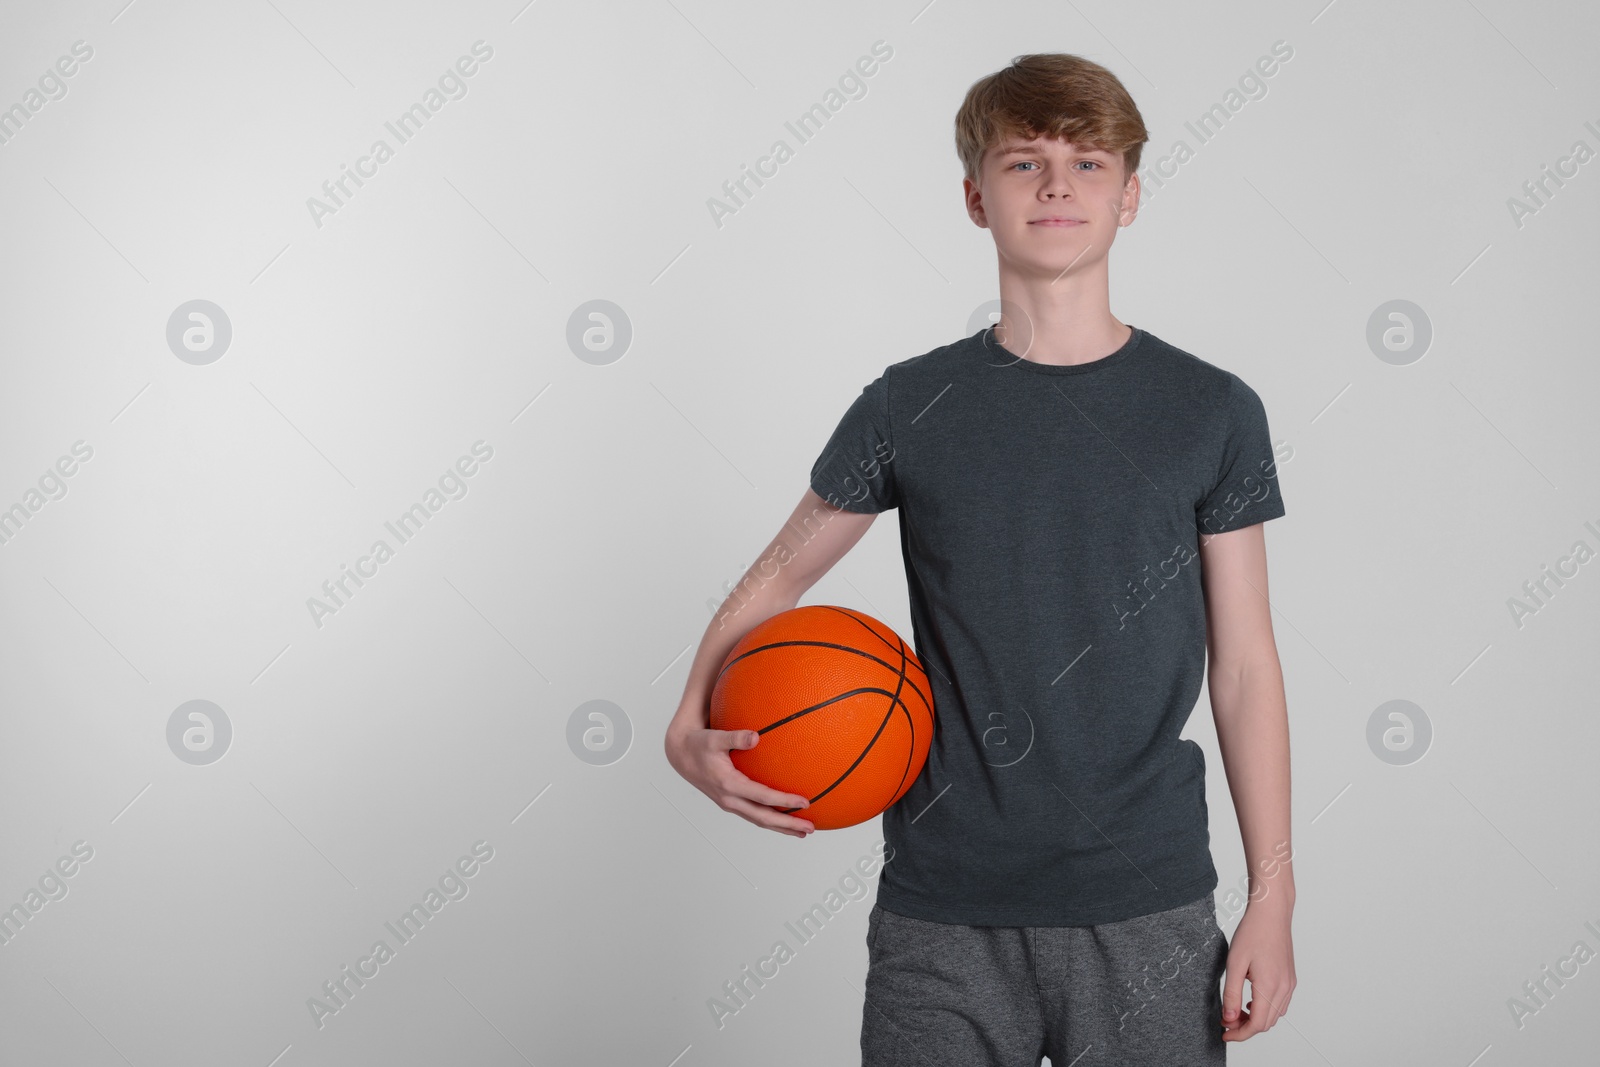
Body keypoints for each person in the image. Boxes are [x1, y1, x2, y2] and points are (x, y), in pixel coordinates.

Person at [665, 52, 1296, 1065]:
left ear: (1129, 197)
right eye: (1023, 162)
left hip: (1146, 901)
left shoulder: (1211, 410)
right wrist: (686, 720)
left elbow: (1248, 668)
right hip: (942, 909)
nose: (1056, 185)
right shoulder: (907, 405)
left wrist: (1274, 894)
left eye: (1088, 163)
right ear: (974, 197)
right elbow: (778, 571)